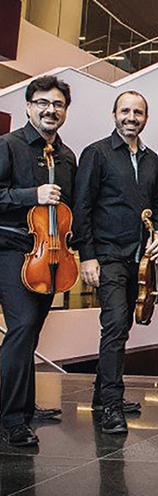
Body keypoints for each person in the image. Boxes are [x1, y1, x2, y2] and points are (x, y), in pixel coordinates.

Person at [73, 91, 158, 433]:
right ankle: (112, 405)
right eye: (125, 111)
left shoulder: (153, 160)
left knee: (123, 327)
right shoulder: (96, 153)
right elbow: (82, 207)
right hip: (108, 254)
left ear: (145, 118)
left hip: (139, 259)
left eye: (138, 112)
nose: (131, 117)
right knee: (114, 326)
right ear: (114, 115)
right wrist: (87, 256)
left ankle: (102, 395)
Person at [0, 76, 76, 446]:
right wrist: (33, 194)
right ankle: (12, 420)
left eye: (58, 104)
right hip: (10, 251)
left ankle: (24, 406)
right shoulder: (8, 145)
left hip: (48, 255)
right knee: (22, 329)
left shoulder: (66, 156)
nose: (51, 110)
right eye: (43, 103)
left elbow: (68, 209)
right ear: (29, 107)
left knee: (29, 334)